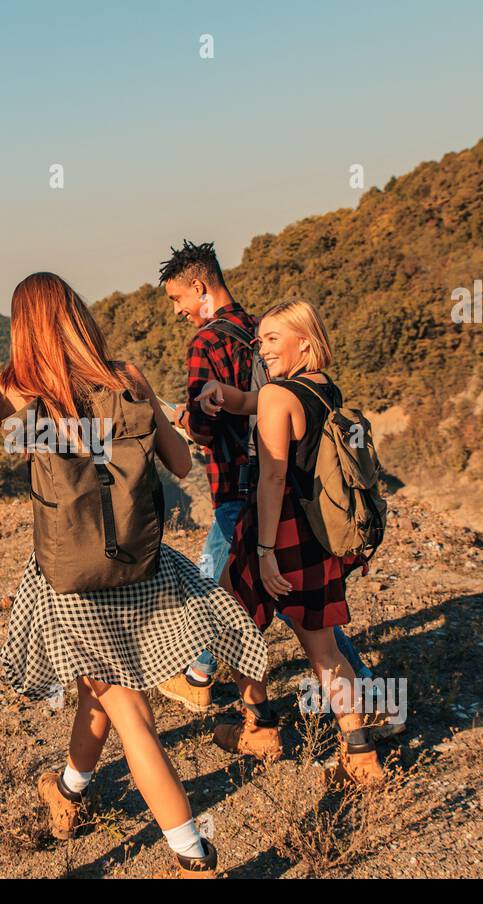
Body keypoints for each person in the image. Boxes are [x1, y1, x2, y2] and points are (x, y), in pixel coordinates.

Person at [0, 272, 270, 877]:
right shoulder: (127, 377)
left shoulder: (22, 389)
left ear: (24, 329)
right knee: (98, 691)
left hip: (72, 581)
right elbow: (181, 462)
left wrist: (11, 395)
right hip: (140, 567)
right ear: (79, 315)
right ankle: (70, 790)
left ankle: (193, 856)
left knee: (131, 713)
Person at [154, 240, 373, 714]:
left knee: (234, 604)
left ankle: (242, 707)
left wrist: (180, 418)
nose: (177, 311)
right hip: (299, 498)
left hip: (247, 491)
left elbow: (207, 428)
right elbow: (261, 401)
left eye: (178, 299)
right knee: (306, 617)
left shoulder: (206, 342)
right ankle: (359, 711)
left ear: (199, 287)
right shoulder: (263, 332)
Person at [197, 298, 384, 785]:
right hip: (316, 536)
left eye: (272, 339)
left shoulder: (279, 396)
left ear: (305, 340)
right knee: (324, 651)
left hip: (275, 535)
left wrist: (262, 552)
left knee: (230, 629)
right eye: (259, 340)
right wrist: (220, 392)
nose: (262, 349)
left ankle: (260, 727)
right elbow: (250, 403)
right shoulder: (321, 389)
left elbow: (272, 478)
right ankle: (360, 755)